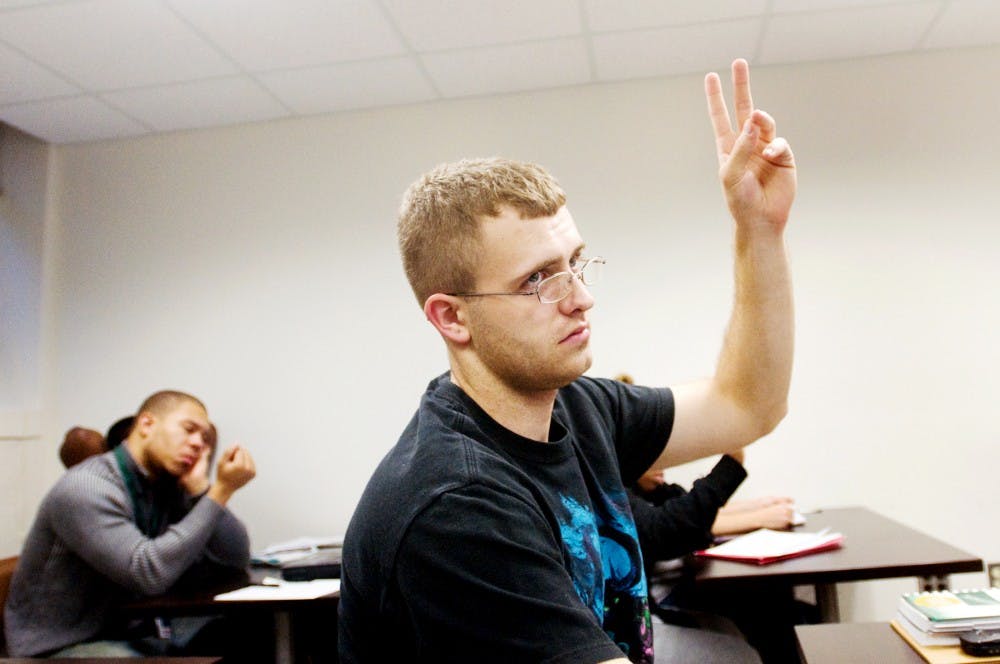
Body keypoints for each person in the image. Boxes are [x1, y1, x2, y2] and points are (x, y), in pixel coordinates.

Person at [339, 57, 796, 663]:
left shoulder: (578, 408)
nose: (582, 298)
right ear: (452, 317)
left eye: (575, 263)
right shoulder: (455, 508)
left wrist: (758, 231)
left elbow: (748, 406)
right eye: (538, 280)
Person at [4, 390, 256, 658]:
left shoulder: (162, 483)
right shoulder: (86, 487)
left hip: (127, 630)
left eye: (204, 438)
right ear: (147, 424)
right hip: (59, 645)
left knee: (247, 629)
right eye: (189, 429)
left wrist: (201, 490)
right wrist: (220, 492)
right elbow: (147, 573)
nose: (198, 444)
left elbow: (234, 558)